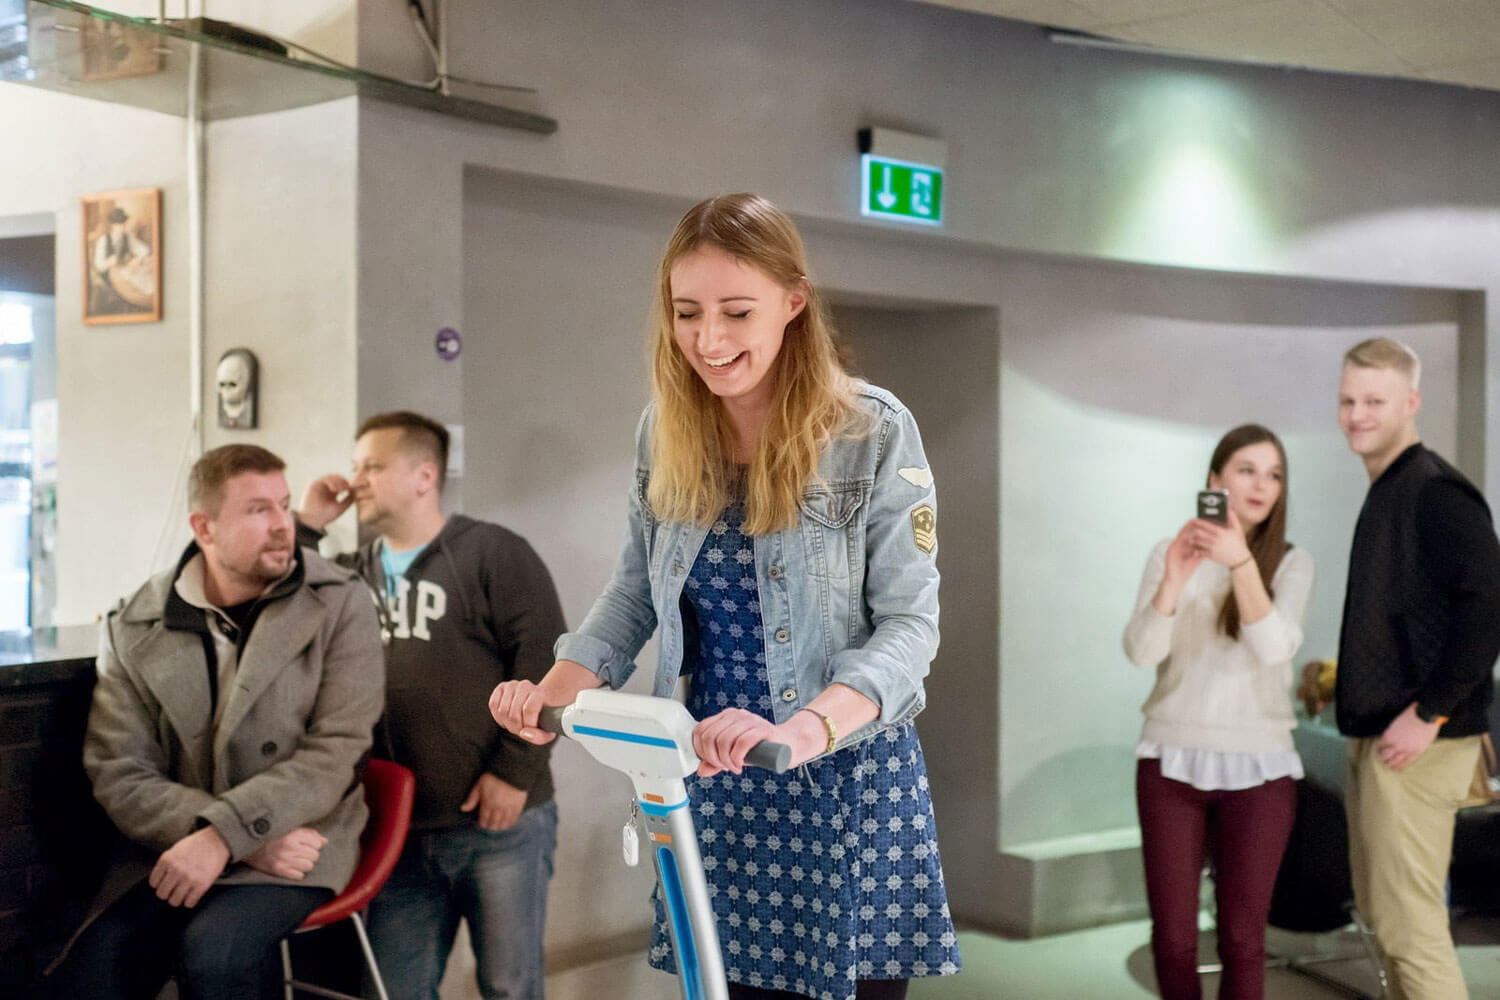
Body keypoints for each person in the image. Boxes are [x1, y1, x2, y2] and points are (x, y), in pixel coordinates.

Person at [488, 192, 961, 1000]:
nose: (709, 340)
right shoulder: (665, 430)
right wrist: (550, 697)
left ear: (793, 302)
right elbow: (633, 595)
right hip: (717, 778)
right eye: (688, 313)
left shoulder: (871, 429)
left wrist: (802, 730)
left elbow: (910, 627)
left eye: (737, 312)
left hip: (841, 779)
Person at [47, 444, 385, 1000]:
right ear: (203, 527)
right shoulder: (133, 622)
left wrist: (227, 836)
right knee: (94, 968)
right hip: (178, 837)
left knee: (217, 954)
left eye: (284, 504)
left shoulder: (341, 601)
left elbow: (336, 753)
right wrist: (228, 839)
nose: (283, 525)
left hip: (299, 834)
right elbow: (119, 770)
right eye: (258, 510)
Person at [298, 410, 567, 1000]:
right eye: (355, 466)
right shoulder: (353, 572)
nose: (356, 480)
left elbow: (545, 666)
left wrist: (513, 772)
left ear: (424, 476)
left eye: (372, 467)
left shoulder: (493, 553)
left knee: (509, 986)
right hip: (396, 832)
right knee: (394, 991)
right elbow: (279, 595)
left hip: (497, 823)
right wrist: (307, 525)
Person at [1328, 337, 1500, 1000]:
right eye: (1348, 400)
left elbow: (1489, 610)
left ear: (1412, 402)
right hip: (1384, 735)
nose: (1357, 415)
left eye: (1375, 401)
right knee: (1389, 923)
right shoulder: (1391, 489)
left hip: (1418, 743)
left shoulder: (1436, 493)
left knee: (1412, 931)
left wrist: (1430, 712)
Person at [1123, 424, 1315, 1000]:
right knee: (1174, 940)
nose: (1261, 485)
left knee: (1242, 940)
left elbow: (1274, 647)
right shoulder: (1169, 551)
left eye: (1274, 475)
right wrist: (1175, 578)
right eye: (1246, 470)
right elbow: (1141, 652)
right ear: (1215, 479)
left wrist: (1240, 563)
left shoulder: (1292, 563)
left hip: (1261, 768)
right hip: (1170, 761)